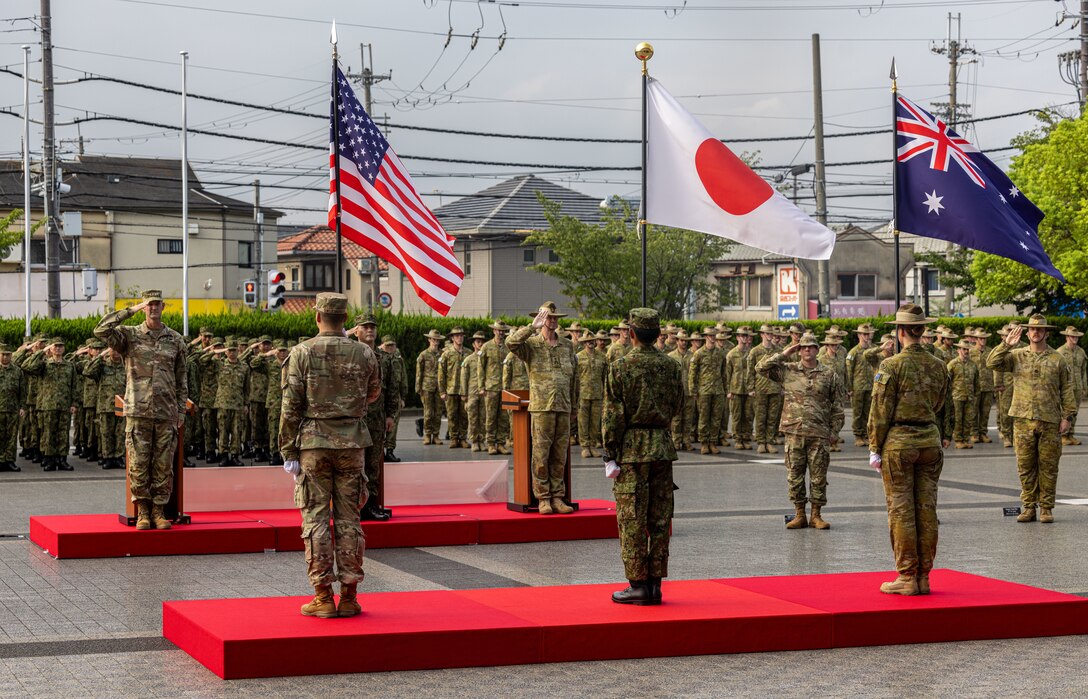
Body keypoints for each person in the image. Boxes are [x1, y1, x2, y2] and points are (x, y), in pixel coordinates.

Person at [280, 293, 381, 618]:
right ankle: (349, 595)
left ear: (317, 317)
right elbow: (373, 392)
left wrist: (288, 449)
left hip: (314, 445)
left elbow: (290, 406)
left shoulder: (302, 352)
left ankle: (323, 596)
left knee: (316, 519)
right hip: (351, 444)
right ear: (345, 319)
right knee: (350, 519)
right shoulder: (364, 353)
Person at [603, 308, 684, 606]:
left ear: (632, 334)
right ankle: (655, 584)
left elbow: (612, 416)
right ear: (658, 335)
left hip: (633, 449)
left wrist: (609, 452)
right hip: (662, 446)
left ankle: (637, 584)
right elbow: (678, 405)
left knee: (632, 518)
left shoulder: (620, 367)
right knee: (660, 518)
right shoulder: (673, 367)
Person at [868, 304, 949, 596]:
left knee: (901, 511)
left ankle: (907, 576)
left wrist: (874, 446)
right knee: (926, 510)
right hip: (929, 440)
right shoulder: (939, 365)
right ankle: (924, 576)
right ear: (922, 330)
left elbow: (880, 411)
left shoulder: (890, 365)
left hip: (899, 443)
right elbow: (941, 405)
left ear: (900, 332)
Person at [94, 290, 188, 530]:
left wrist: (180, 411)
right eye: (149, 304)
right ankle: (143, 511)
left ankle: (159, 511)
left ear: (164, 306)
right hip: (138, 410)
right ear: (144, 307)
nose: (153, 308)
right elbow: (101, 330)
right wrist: (132, 309)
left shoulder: (175, 339)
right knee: (138, 463)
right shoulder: (130, 336)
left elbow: (181, 379)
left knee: (163, 464)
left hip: (166, 413)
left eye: (157, 304)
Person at [987, 315, 1077, 524]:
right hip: (1023, 419)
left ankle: (1046, 507)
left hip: (1050, 419)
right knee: (1025, 465)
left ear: (1046, 333)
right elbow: (992, 363)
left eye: (1040, 330)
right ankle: (1029, 507)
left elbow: (1067, 389)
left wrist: (1068, 416)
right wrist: (1005, 344)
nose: (1035, 333)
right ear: (1027, 333)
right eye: (1032, 330)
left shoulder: (1057, 359)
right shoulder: (1016, 356)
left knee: (1048, 465)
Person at [757, 332, 845, 529]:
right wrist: (785, 353)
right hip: (794, 432)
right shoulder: (788, 371)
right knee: (794, 475)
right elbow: (761, 368)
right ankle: (799, 514)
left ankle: (816, 515)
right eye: (803, 347)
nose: (807, 350)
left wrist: (834, 432)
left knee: (818, 476)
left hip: (819, 433)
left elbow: (838, 406)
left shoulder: (829, 374)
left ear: (817, 349)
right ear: (798, 350)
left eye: (811, 346)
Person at [506, 302, 577, 514]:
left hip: (563, 405)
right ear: (541, 319)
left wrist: (573, 406)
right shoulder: (532, 345)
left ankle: (557, 496)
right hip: (542, 406)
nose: (552, 321)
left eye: (555, 318)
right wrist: (531, 327)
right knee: (540, 453)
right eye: (548, 317)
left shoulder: (566, 345)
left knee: (560, 454)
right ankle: (543, 497)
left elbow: (573, 379)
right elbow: (511, 343)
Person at [351, 312, 399, 521]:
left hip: (376, 418)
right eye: (365, 326)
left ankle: (371, 506)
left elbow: (391, 389)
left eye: (372, 327)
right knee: (352, 465)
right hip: (353, 419)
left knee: (372, 465)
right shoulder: (350, 354)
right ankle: (352, 507)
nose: (370, 330)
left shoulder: (384, 358)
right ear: (356, 331)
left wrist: (390, 415)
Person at [22, 338, 78, 472]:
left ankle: (62, 459)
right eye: (55, 346)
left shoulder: (69, 366)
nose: (58, 349)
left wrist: (74, 403)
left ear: (64, 348)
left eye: (60, 346)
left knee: (63, 433)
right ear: (50, 349)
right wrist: (42, 351)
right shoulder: (44, 364)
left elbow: (74, 386)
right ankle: (49, 459)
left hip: (64, 404)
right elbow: (26, 366)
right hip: (47, 405)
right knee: (48, 433)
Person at [83, 345, 128, 470]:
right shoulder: (102, 366)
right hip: (105, 405)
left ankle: (118, 457)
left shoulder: (125, 366)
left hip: (122, 405)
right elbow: (87, 371)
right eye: (113, 349)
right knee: (106, 433)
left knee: (120, 433)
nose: (116, 352)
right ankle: (107, 457)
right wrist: (101, 355)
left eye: (119, 349)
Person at [212, 342, 249, 466]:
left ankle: (235, 455)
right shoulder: (219, 364)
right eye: (229, 350)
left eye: (234, 350)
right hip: (223, 404)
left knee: (236, 431)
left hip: (238, 404)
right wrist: (216, 351)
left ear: (238, 351)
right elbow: (202, 359)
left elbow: (247, 388)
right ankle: (223, 455)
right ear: (226, 352)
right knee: (222, 431)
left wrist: (246, 404)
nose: (232, 353)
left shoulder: (244, 367)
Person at [748, 325, 783, 454]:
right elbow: (750, 371)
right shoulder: (755, 351)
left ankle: (769, 442)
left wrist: (782, 385)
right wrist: (751, 388)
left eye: (771, 333)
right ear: (762, 334)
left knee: (772, 417)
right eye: (766, 333)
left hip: (774, 388)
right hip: (760, 388)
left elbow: (782, 370)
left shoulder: (778, 350)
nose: (769, 335)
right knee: (760, 417)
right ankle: (761, 442)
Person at [478, 321, 511, 455]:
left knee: (503, 417)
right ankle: (491, 443)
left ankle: (501, 443)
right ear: (494, 331)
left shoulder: (508, 348)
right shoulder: (486, 347)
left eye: (502, 331)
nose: (501, 333)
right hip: (491, 387)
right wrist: (481, 386)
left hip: (504, 387)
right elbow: (481, 368)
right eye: (498, 330)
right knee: (491, 417)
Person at [689, 330, 726, 453]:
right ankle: (704, 443)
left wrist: (726, 389)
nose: (712, 338)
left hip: (718, 390)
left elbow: (724, 373)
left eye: (714, 336)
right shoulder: (699, 354)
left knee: (716, 418)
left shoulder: (720, 353)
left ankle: (713, 442)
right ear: (705, 337)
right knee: (704, 417)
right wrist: (693, 390)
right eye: (710, 336)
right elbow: (692, 373)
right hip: (703, 390)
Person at [576, 329, 608, 458]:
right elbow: (574, 377)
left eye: (592, 341)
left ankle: (593, 445)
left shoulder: (602, 357)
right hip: (582, 394)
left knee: (595, 422)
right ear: (584, 343)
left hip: (597, 394)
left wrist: (606, 393)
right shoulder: (578, 357)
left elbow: (605, 377)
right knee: (583, 421)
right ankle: (584, 446)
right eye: (587, 341)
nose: (590, 343)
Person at [438, 327, 470, 449]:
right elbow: (441, 374)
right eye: (456, 336)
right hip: (451, 390)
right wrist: (442, 391)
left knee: (464, 415)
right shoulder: (446, 354)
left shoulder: (468, 353)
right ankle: (454, 438)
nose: (459, 338)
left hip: (464, 390)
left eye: (461, 335)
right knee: (451, 415)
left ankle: (463, 438)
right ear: (452, 338)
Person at [846, 323, 877, 447]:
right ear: (859, 335)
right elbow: (849, 371)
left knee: (868, 412)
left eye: (868, 334)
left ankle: (866, 434)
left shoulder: (873, 349)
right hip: (858, 386)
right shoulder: (854, 352)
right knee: (857, 413)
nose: (867, 336)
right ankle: (858, 435)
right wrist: (849, 388)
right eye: (864, 334)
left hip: (871, 385)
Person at [1056, 326, 1087, 446]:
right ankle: (1063, 435)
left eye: (1077, 337)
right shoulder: (1060, 352)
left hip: (1077, 387)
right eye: (1073, 336)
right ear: (1067, 337)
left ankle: (1070, 435)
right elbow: (1056, 373)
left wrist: (1084, 387)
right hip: (1065, 388)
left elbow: (1083, 371)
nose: (1075, 338)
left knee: (1074, 412)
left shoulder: (1081, 352)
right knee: (1065, 412)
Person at [725, 326, 754, 450]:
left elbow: (754, 372)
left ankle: (746, 438)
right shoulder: (731, 354)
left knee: (748, 415)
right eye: (742, 336)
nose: (744, 338)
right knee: (736, 416)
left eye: (746, 336)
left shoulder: (752, 353)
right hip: (735, 390)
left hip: (749, 390)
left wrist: (754, 388)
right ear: (737, 337)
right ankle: (737, 439)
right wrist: (728, 391)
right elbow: (727, 374)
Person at [947, 340, 979, 449]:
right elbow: (947, 380)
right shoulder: (952, 364)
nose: (966, 351)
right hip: (956, 396)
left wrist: (976, 394)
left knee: (968, 419)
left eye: (967, 349)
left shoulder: (973, 364)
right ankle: (958, 440)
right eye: (964, 349)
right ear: (958, 350)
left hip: (969, 396)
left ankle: (966, 439)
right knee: (957, 419)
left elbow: (976, 381)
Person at [380, 336, 408, 462]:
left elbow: (403, 379)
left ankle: (390, 450)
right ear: (382, 346)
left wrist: (403, 397)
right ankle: (379, 452)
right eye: (387, 346)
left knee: (393, 425)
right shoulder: (379, 358)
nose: (390, 348)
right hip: (380, 395)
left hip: (395, 396)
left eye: (392, 345)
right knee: (379, 424)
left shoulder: (399, 361)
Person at [667, 330, 694, 452]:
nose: (684, 343)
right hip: (676, 392)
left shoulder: (692, 355)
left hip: (689, 391)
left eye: (685, 341)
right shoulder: (671, 356)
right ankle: (676, 440)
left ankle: (686, 440)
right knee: (676, 418)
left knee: (688, 418)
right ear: (677, 341)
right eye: (681, 340)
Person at [416, 329, 444, 445]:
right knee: (428, 412)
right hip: (427, 386)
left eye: (437, 340)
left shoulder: (443, 354)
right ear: (429, 340)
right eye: (433, 339)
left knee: (438, 412)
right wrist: (418, 388)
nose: (435, 342)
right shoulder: (423, 354)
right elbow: (419, 372)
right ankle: (427, 434)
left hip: (440, 387)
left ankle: (436, 435)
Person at [968, 328, 996, 444]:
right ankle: (974, 433)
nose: (983, 341)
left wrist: (996, 384)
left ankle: (983, 433)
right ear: (976, 339)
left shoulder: (990, 352)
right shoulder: (970, 352)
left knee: (985, 412)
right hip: (975, 386)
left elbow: (995, 369)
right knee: (973, 411)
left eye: (984, 338)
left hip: (988, 386)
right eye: (981, 338)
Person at [0, 344, 25, 472]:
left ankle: (9, 461)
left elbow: (22, 391)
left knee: (11, 436)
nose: (5, 357)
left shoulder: (17, 371)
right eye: (3, 354)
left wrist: (22, 407)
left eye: (8, 355)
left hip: (12, 408)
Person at [461, 331, 487, 452]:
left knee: (483, 417)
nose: (480, 343)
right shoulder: (468, 360)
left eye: (482, 341)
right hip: (472, 393)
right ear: (473, 344)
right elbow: (463, 378)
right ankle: (474, 441)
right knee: (472, 418)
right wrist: (464, 394)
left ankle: (481, 440)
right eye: (478, 341)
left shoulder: (486, 358)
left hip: (484, 392)